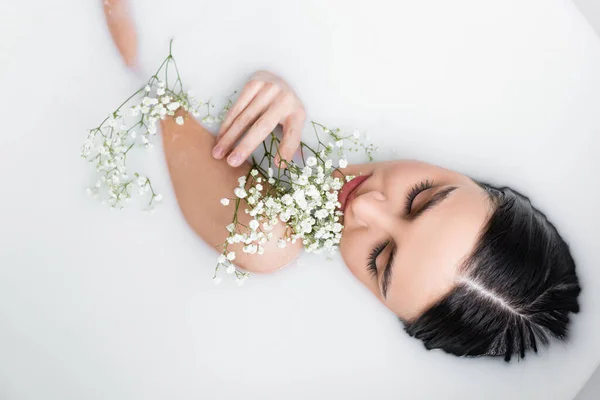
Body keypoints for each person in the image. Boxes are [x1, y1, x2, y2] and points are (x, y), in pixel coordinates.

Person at [102, 14, 580, 362]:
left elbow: (139, 72)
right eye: (422, 197)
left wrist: (232, 69)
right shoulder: (409, 57)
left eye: (380, 259)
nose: (367, 207)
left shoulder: (265, 235)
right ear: (468, 177)